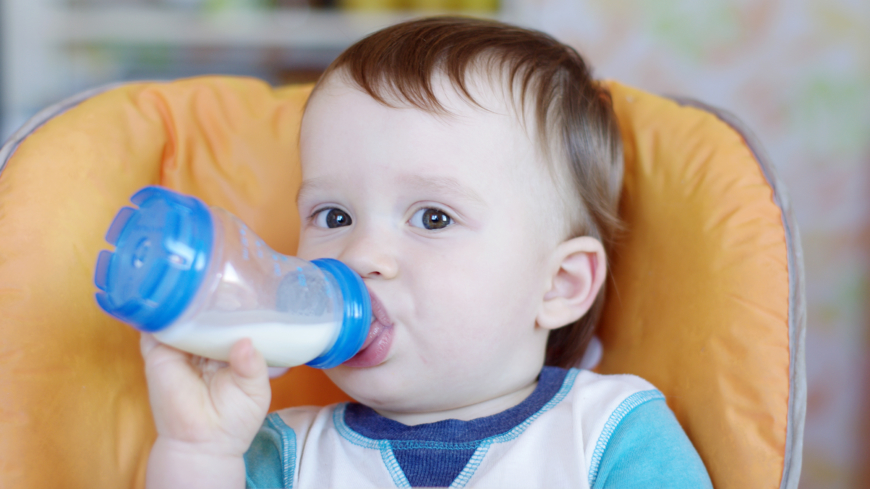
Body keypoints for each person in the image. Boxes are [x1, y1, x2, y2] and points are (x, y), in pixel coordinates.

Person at [141, 16, 713, 489]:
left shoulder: (609, 434)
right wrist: (199, 451)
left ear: (558, 284)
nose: (361, 254)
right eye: (334, 216)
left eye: (433, 218)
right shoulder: (282, 454)